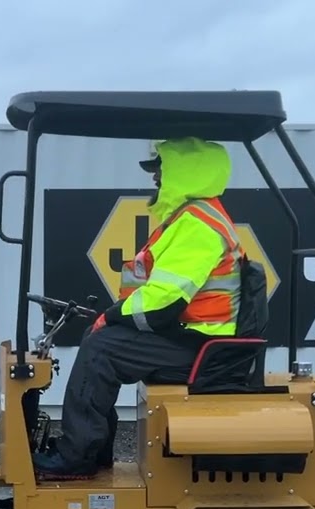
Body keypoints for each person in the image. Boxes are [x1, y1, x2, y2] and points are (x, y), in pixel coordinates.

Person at [33, 137, 247, 480]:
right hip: (196, 339)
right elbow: (159, 295)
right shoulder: (191, 218)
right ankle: (94, 452)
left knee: (102, 349)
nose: (155, 178)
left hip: (204, 349)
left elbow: (164, 301)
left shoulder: (197, 225)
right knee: (100, 337)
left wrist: (113, 315)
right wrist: (111, 319)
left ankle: (76, 456)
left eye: (160, 169)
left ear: (184, 172)